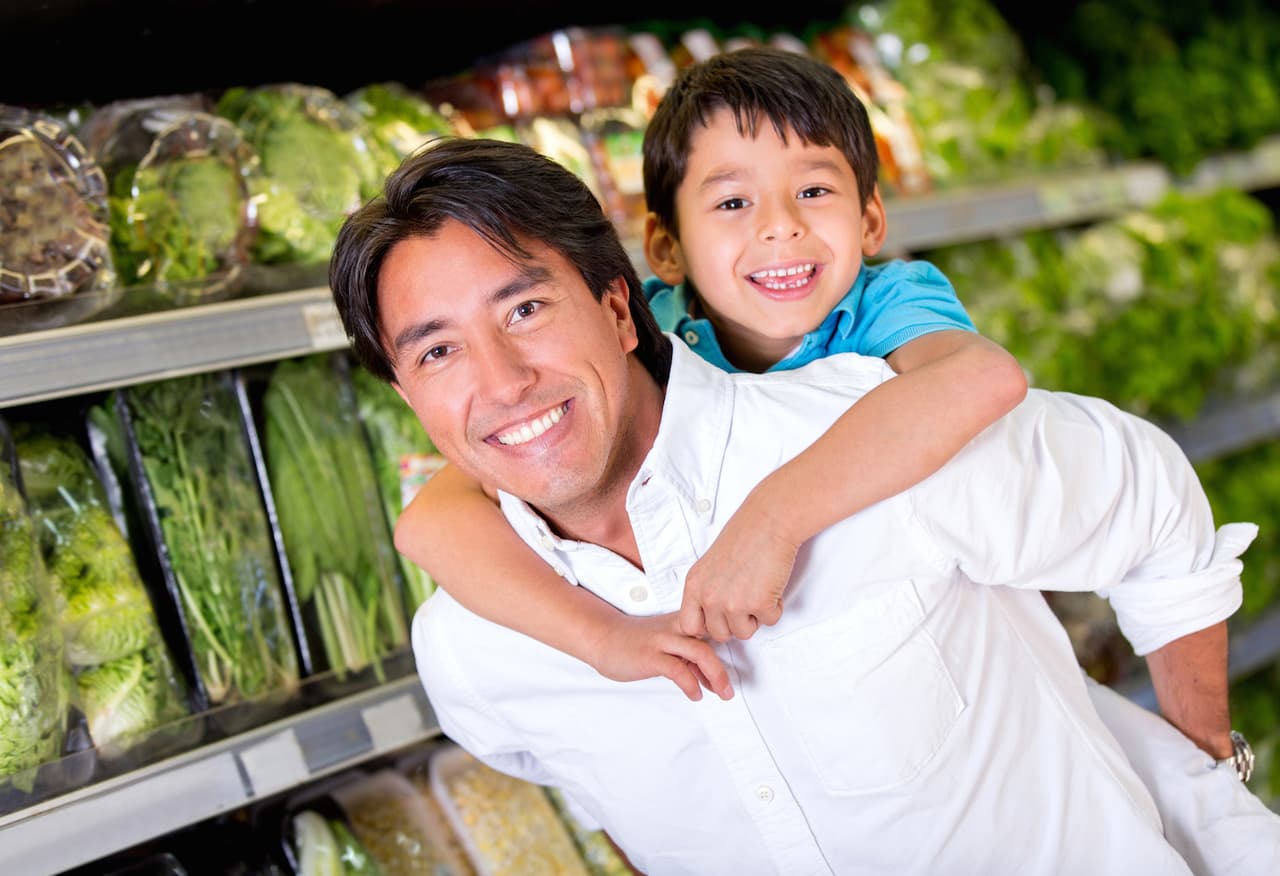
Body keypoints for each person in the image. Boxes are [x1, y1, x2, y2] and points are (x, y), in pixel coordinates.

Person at [329, 136, 1280, 875]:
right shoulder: (477, 657)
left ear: (621, 311)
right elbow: (612, 813)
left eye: (526, 310)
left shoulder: (873, 435)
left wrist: (1203, 766)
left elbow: (1148, 499)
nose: (502, 381)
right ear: (410, 399)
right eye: (437, 351)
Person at [394, 45, 1029, 703]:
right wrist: (602, 638)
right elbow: (428, 524)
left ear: (869, 219)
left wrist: (775, 518)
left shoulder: (886, 300)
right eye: (732, 203)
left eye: (813, 191)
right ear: (666, 248)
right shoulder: (651, 328)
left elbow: (982, 377)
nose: (780, 227)